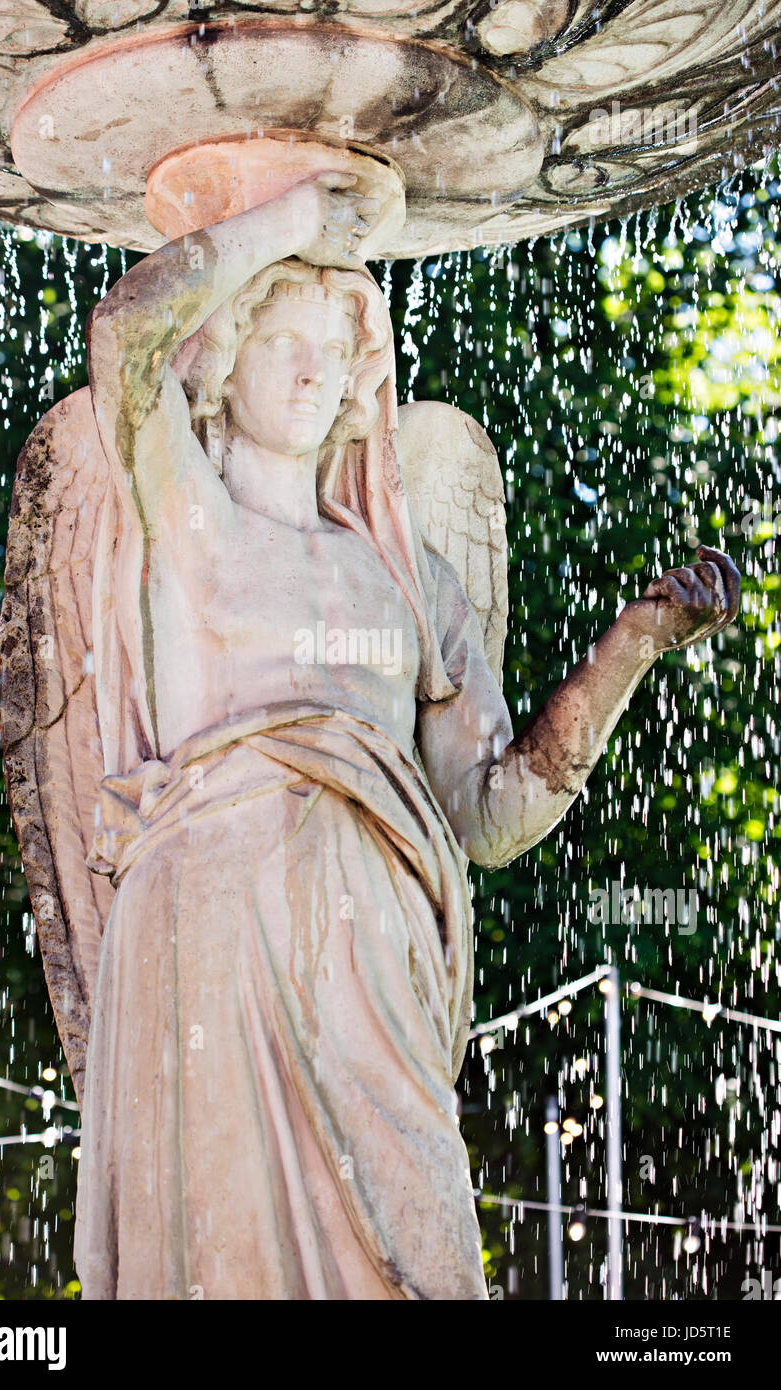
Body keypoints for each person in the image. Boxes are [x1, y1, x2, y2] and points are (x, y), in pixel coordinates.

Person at [72, 173, 740, 1299]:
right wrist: (295, 220)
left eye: (332, 349)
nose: (308, 369)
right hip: (209, 928)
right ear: (226, 354)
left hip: (371, 948)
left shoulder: (408, 578)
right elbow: (127, 332)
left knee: (421, 1239)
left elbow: (488, 810)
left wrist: (630, 646)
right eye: (281, 337)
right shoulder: (182, 514)